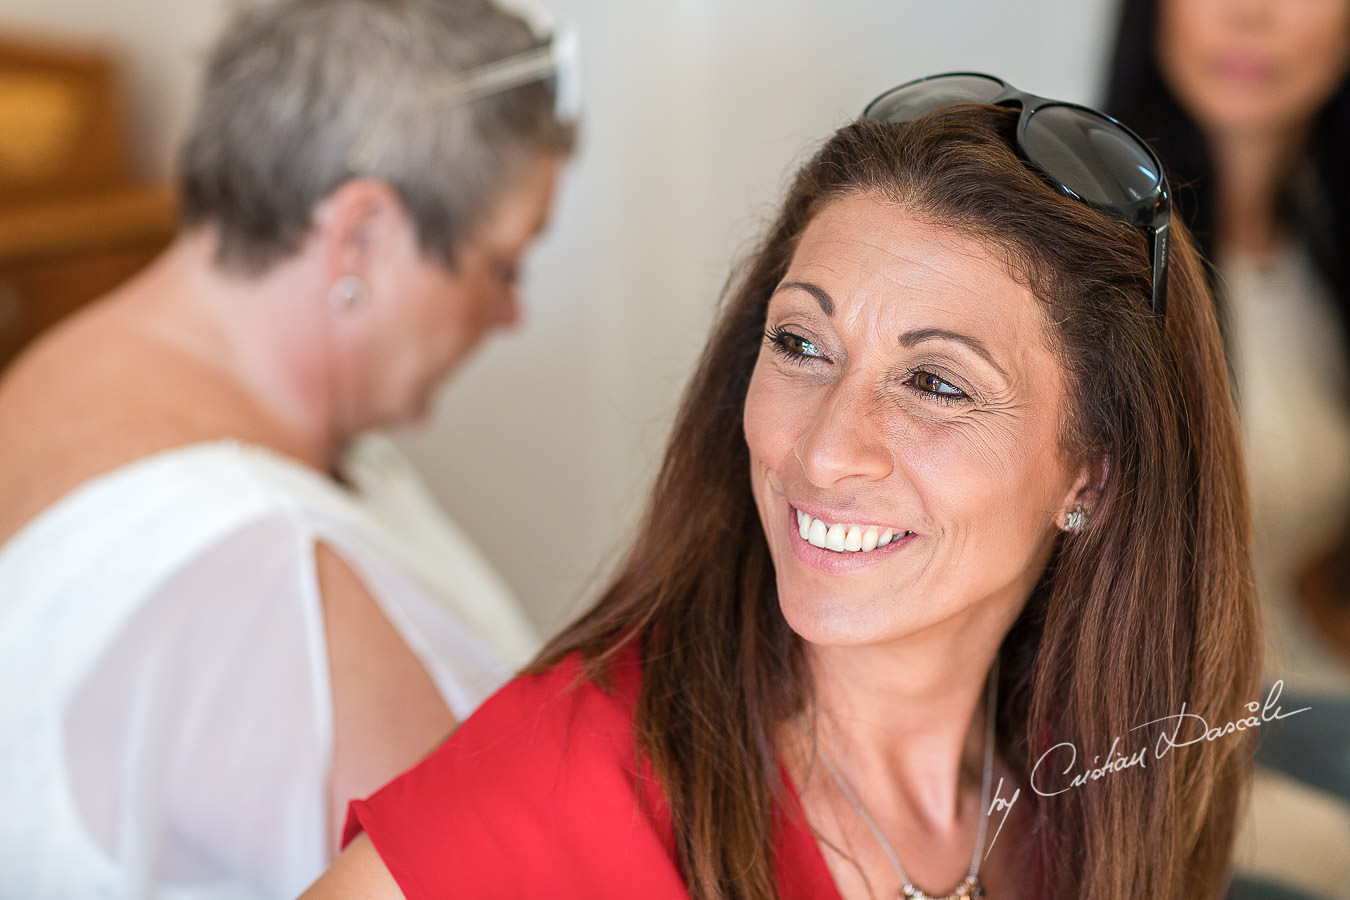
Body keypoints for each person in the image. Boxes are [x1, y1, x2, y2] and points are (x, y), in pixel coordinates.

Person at [303, 74, 1259, 900]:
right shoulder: (563, 785)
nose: (825, 451)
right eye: (801, 344)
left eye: (934, 383)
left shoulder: (1116, 772)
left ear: (1092, 475)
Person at [0, 0, 574, 896]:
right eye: (502, 263)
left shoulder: (70, 361)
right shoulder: (270, 581)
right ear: (361, 233)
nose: (511, 314)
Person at [1107, 4, 1350, 897]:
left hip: (1300, 697)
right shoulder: (1094, 253)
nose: (1249, 17)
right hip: (1150, 744)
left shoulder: (1320, 248)